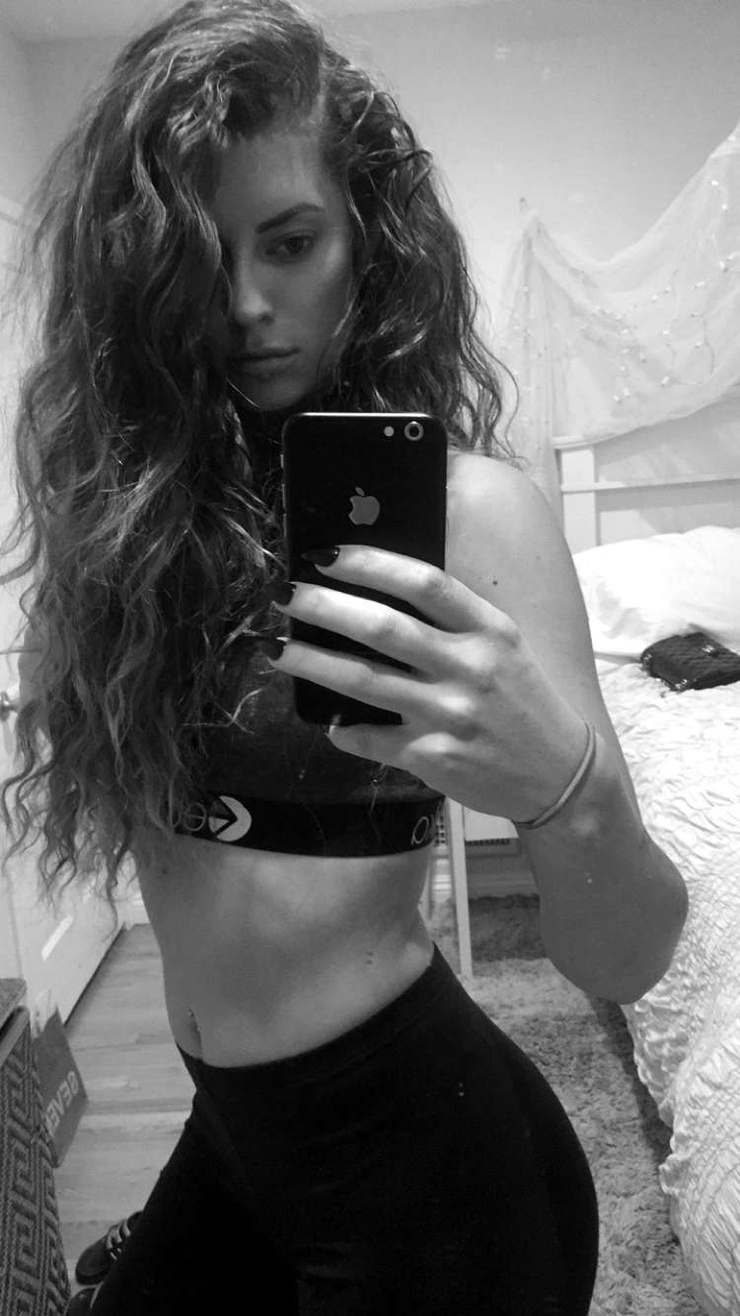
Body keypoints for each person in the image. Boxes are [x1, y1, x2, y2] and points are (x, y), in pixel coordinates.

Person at [3, 1, 689, 1312]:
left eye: (290, 241)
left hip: (429, 1173)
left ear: (367, 239)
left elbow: (631, 958)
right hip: (232, 1140)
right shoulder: (140, 529)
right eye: (195, 256)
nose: (244, 304)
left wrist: (568, 791)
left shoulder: (471, 519)